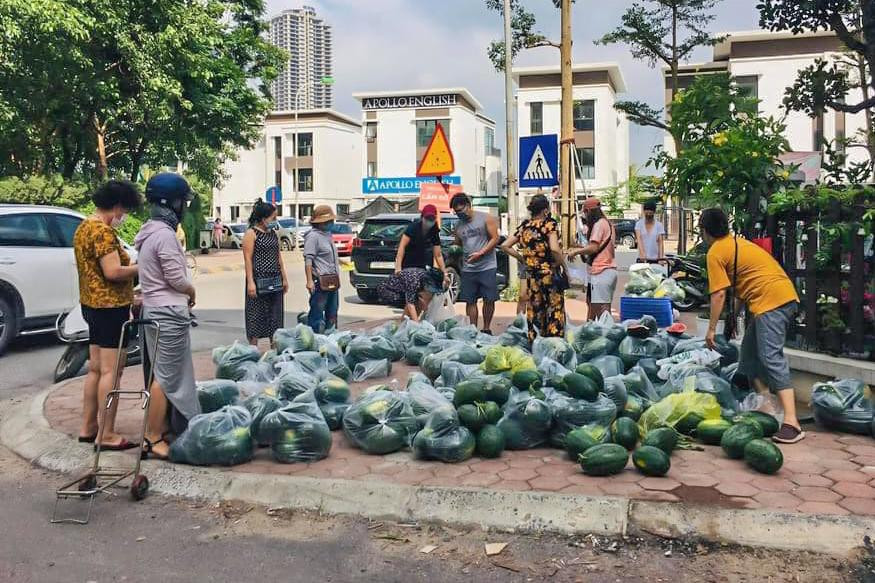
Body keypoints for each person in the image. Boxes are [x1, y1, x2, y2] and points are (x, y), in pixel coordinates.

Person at [699, 208, 803, 444]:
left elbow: (718, 295)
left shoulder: (716, 251)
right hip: (778, 297)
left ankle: (792, 422)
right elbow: (741, 285)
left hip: (772, 303)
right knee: (748, 356)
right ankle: (765, 405)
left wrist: (712, 328)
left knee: (770, 357)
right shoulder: (735, 244)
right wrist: (733, 319)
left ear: (705, 231)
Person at [134, 172, 202, 459]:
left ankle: (157, 429)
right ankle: (153, 436)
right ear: (172, 203)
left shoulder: (149, 233)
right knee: (166, 377)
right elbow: (175, 278)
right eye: (181, 203)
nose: (184, 208)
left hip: (154, 309)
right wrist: (191, 291)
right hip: (168, 313)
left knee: (160, 373)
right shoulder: (164, 236)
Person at [73, 180, 142, 450]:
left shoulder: (83, 227)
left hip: (91, 306)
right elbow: (113, 272)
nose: (123, 216)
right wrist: (141, 267)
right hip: (110, 310)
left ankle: (88, 427)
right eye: (124, 210)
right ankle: (108, 433)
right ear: (116, 206)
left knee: (96, 369)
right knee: (112, 372)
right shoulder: (102, 231)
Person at [501, 194, 566, 343]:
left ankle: (536, 343)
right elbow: (555, 249)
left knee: (536, 310)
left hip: (532, 276)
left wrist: (522, 258)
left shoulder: (525, 226)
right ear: (545, 210)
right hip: (549, 274)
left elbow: (505, 245)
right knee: (554, 310)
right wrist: (564, 267)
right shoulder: (550, 224)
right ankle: (554, 346)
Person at [451, 192, 500, 334]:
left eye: (461, 210)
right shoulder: (459, 226)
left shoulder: (485, 218)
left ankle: (486, 328)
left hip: (487, 266)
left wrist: (481, 253)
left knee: (488, 299)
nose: (460, 214)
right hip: (468, 268)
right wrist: (455, 249)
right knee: (470, 300)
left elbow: (495, 238)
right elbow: (458, 243)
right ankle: (473, 329)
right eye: (456, 212)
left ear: (468, 205)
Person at [243, 200, 287, 346]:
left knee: (275, 318)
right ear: (263, 218)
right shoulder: (251, 233)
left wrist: (284, 279)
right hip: (258, 280)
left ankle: (274, 350)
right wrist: (250, 282)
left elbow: (278, 257)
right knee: (255, 317)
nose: (275, 221)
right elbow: (248, 260)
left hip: (275, 280)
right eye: (273, 218)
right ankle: (253, 352)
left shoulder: (273, 233)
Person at [568, 197, 617, 320]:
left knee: (600, 312)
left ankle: (601, 335)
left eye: (585, 213)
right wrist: (580, 248)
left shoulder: (599, 224)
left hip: (601, 272)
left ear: (589, 211)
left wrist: (576, 252)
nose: (585, 216)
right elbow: (595, 247)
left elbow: (594, 248)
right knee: (598, 308)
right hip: (606, 271)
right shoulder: (608, 224)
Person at [304, 205, 341, 333]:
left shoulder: (327, 234)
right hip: (320, 282)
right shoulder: (313, 236)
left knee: (332, 313)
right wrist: (309, 280)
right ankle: (315, 340)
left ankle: (331, 340)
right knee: (317, 315)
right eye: (328, 221)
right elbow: (308, 260)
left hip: (333, 280)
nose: (331, 223)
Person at [394, 204, 449, 288]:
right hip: (408, 264)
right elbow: (402, 247)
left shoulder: (434, 230)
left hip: (422, 265)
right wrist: (398, 268)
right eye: (427, 218)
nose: (430, 221)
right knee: (410, 289)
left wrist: (444, 273)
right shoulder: (413, 228)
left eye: (432, 219)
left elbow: (438, 255)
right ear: (422, 217)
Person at [378, 267, 445, 321]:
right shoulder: (414, 280)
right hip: (388, 290)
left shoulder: (426, 281)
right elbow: (410, 304)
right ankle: (404, 323)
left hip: (403, 290)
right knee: (414, 303)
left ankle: (404, 323)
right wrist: (417, 325)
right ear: (428, 282)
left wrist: (426, 311)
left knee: (418, 303)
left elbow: (428, 299)